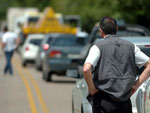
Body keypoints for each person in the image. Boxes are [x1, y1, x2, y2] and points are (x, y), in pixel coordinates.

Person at [83, 17, 150, 113]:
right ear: (117, 29)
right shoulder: (131, 46)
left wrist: (92, 89)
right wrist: (135, 85)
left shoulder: (97, 47)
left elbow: (86, 69)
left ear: (101, 31)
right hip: (124, 102)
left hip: (103, 101)